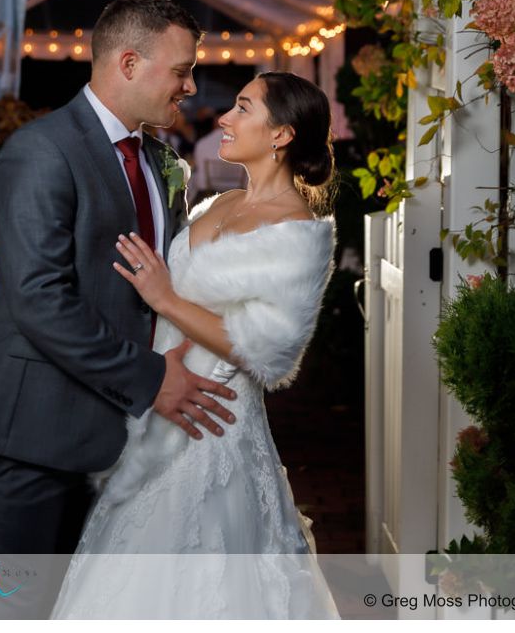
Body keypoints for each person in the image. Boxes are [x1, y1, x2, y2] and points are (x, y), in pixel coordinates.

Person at [0, 0, 237, 576]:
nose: (189, 87)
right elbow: (39, 300)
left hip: (119, 434)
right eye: (181, 71)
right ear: (129, 63)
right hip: (31, 432)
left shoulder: (157, 156)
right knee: (14, 607)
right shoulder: (41, 151)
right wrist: (152, 378)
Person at [51, 71, 341, 620]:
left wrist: (165, 299)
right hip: (157, 405)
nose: (223, 119)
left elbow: (272, 350)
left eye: (242, 108)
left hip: (216, 419)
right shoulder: (217, 204)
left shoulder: (301, 230)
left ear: (281, 135)